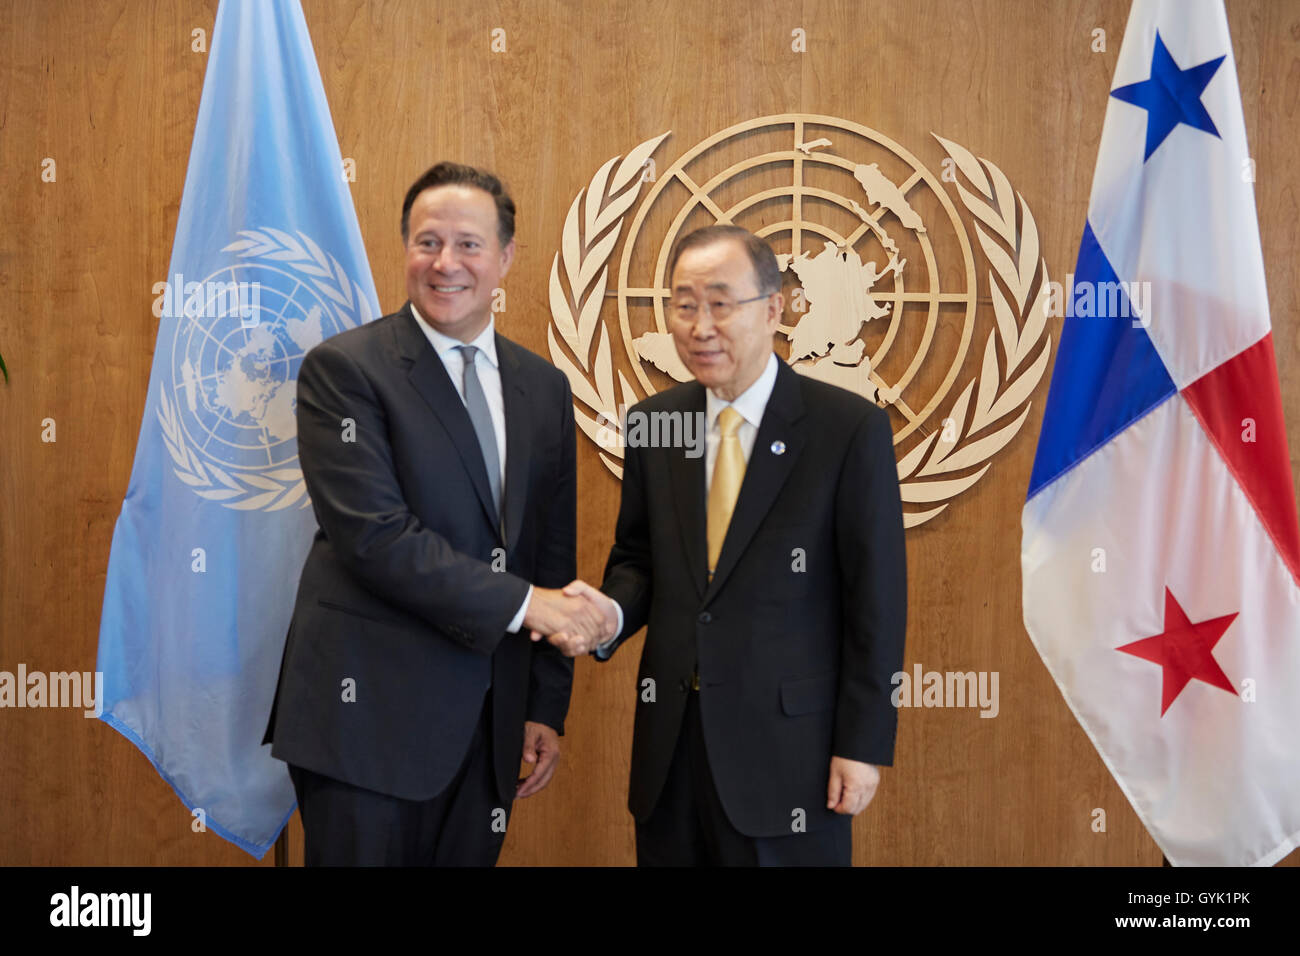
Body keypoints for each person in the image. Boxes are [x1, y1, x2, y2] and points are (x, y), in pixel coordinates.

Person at [264, 162, 607, 866]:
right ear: (405, 250)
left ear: (506, 258)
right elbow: (376, 539)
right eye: (428, 242)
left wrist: (544, 704)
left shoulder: (543, 387)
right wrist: (530, 607)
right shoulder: (346, 371)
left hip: (489, 727)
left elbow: (550, 554)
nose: (446, 263)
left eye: (469, 245)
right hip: (367, 726)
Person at [542, 225, 907, 866]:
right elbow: (640, 560)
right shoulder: (657, 424)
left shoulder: (846, 429)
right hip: (672, 759)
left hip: (792, 759)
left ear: (774, 308)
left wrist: (864, 743)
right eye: (684, 305)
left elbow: (877, 601)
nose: (700, 325)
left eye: (720, 302)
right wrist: (611, 614)